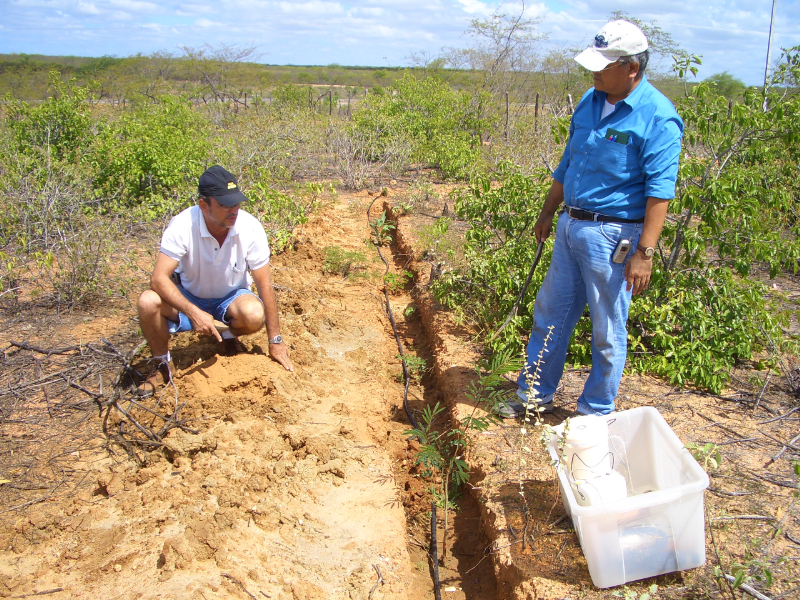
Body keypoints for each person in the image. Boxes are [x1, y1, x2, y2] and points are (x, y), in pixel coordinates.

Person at [502, 20, 683, 418]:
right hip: (571, 226)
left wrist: (645, 253)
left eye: (604, 66)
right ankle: (534, 397)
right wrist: (548, 211)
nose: (594, 73)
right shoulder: (589, 100)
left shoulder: (658, 117)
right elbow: (568, 163)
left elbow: (660, 192)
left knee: (607, 330)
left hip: (613, 235)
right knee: (549, 316)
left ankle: (595, 413)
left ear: (632, 67)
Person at [137, 165, 293, 396]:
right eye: (224, 205)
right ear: (204, 205)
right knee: (147, 301)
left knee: (253, 314)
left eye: (236, 203)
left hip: (230, 298)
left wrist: (276, 340)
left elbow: (264, 285)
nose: (233, 211)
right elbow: (158, 279)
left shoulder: (250, 228)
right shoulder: (183, 225)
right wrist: (193, 312)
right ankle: (162, 365)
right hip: (190, 296)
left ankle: (228, 339)